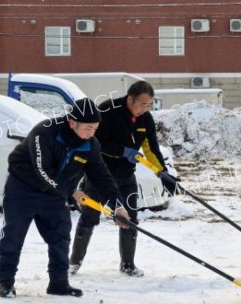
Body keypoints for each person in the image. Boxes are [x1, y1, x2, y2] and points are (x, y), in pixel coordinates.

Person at [0, 98, 130, 298]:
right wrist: (72, 192)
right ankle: (6, 282)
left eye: (95, 128)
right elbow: (43, 170)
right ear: (72, 122)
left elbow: (102, 176)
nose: (91, 133)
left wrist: (118, 205)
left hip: (56, 193)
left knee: (60, 235)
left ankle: (58, 283)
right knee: (14, 234)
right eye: (88, 128)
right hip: (23, 187)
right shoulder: (44, 132)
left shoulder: (90, 145)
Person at [69, 81, 176, 276]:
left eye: (149, 105)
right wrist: (120, 151)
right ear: (130, 99)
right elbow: (94, 141)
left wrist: (163, 172)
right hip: (99, 173)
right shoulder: (107, 110)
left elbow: (151, 148)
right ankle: (74, 262)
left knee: (130, 218)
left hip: (126, 174)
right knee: (89, 217)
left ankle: (128, 264)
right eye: (142, 104)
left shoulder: (146, 119)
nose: (145, 109)